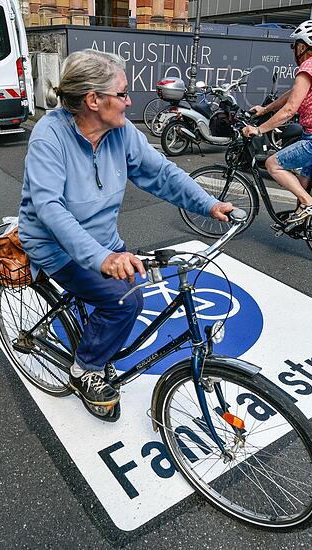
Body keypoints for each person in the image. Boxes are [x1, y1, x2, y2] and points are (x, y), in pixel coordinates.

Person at [18, 49, 234, 410]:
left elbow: (161, 173)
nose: (129, 101)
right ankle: (84, 368)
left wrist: (209, 204)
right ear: (93, 100)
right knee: (124, 301)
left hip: (102, 241)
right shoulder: (49, 137)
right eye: (122, 94)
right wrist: (102, 258)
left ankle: (94, 329)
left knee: (126, 287)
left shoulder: (120, 132)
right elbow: (50, 210)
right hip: (55, 246)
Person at [242, 20, 312, 223]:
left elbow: (289, 110)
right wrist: (265, 110)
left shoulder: (309, 67)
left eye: (294, 46)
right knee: (304, 178)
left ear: (302, 46)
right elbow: (292, 94)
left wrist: (259, 129)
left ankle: (308, 204)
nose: (294, 50)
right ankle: (300, 216)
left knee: (273, 164)